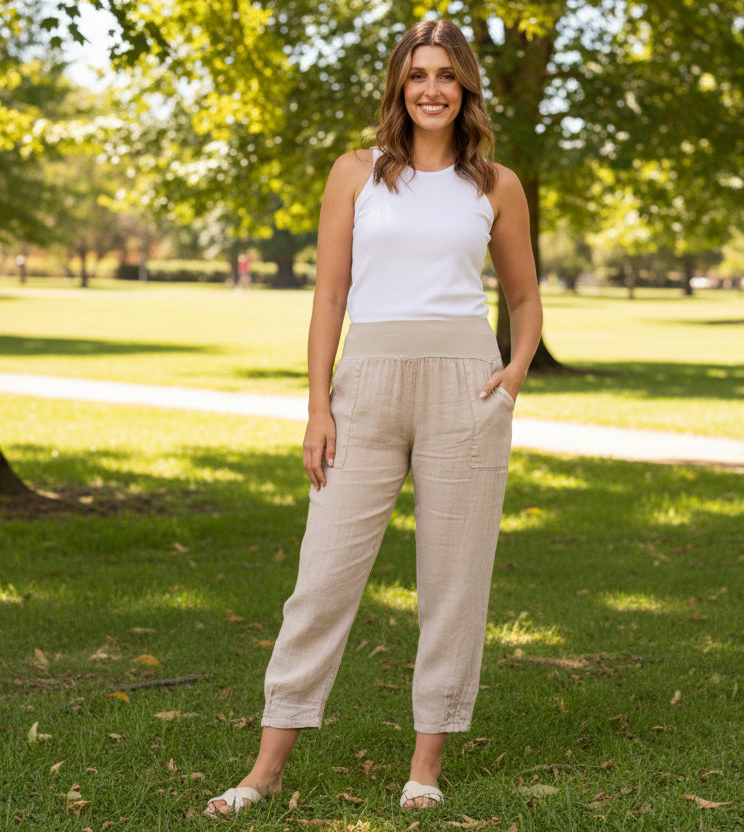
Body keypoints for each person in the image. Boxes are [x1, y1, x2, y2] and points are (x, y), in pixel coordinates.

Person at [206, 18, 543, 817]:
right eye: (418, 74)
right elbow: (329, 296)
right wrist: (317, 403)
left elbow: (524, 298)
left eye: (447, 76)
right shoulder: (356, 174)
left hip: (467, 386)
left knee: (454, 581)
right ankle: (266, 769)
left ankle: (425, 767)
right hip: (366, 384)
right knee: (321, 580)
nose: (432, 89)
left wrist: (514, 372)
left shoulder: (496, 184)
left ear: (466, 89)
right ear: (399, 85)